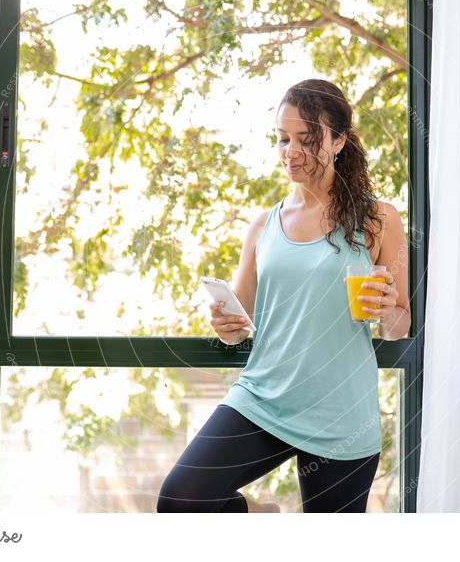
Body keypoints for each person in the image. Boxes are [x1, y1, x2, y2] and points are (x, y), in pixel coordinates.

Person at [156, 79, 411, 513]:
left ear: (338, 141)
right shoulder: (262, 226)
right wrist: (225, 325)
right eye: (282, 138)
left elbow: (397, 325)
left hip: (341, 414)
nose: (290, 151)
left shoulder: (378, 219)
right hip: (263, 399)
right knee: (181, 497)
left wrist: (388, 311)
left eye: (306, 140)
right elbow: (237, 326)